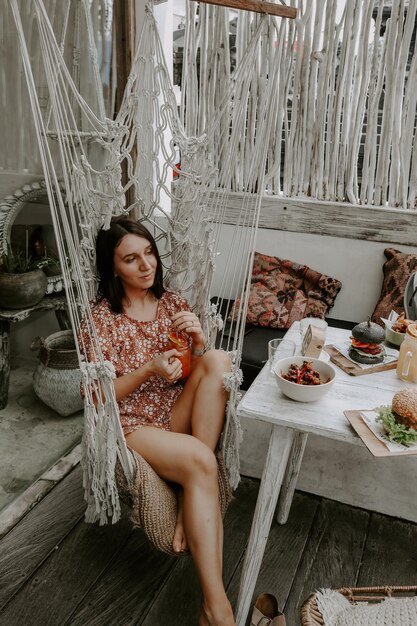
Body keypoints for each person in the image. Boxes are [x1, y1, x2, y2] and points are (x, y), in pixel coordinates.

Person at [81, 216, 235, 626]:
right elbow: (96, 397)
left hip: (174, 412)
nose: (146, 265)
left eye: (149, 252)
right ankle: (217, 608)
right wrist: (148, 370)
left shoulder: (173, 304)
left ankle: (189, 497)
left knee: (220, 360)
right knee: (205, 462)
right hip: (134, 426)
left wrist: (199, 345)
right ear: (113, 267)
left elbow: (192, 374)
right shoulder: (101, 319)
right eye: (131, 259)